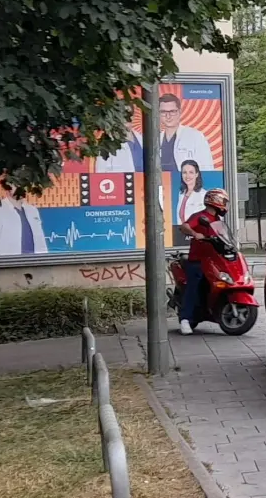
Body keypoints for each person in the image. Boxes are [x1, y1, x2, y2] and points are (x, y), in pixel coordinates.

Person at [98, 93, 216, 173]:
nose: (168, 116)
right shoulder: (107, 143)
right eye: (164, 112)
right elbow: (101, 176)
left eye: (172, 111)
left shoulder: (195, 136)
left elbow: (208, 169)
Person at [175, 188, 230, 335]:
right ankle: (185, 319)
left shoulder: (218, 221)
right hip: (198, 260)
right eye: (224, 201)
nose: (225, 205)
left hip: (214, 260)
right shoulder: (199, 216)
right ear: (215, 201)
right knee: (194, 286)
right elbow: (184, 226)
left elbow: (224, 237)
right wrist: (195, 233)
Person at [0, 180, 49, 256]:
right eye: (16, 184)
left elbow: (41, 246)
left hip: (34, 266)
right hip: (7, 266)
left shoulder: (33, 211)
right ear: (7, 186)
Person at [174, 159, 205, 224]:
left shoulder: (204, 195)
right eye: (184, 172)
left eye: (191, 172)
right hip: (183, 233)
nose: (187, 176)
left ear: (196, 174)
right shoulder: (181, 194)